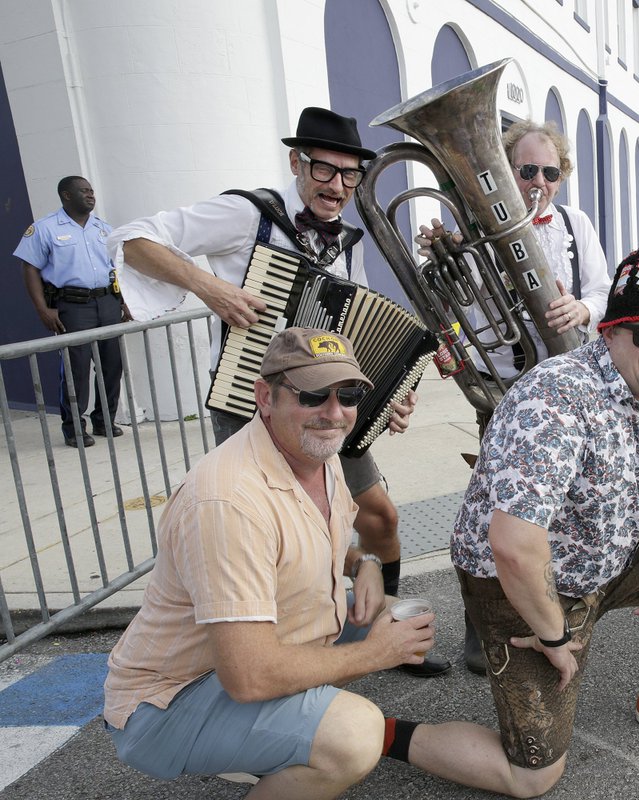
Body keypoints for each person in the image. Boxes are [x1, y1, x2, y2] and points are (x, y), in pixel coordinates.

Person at [390, 243, 639, 798]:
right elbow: (515, 547)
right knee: (531, 776)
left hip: (608, 556)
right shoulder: (558, 394)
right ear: (608, 332)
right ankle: (371, 731)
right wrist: (554, 634)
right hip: (518, 585)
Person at [108, 107, 449, 677]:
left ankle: (379, 627)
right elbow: (134, 238)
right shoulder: (248, 216)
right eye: (324, 170)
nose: (337, 186)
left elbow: (352, 333)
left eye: (349, 175)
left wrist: (387, 393)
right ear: (297, 162)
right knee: (280, 536)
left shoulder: (346, 240)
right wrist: (210, 286)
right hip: (253, 405)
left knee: (380, 518)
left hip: (325, 406)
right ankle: (275, 659)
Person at [103, 327, 434, 796]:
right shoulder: (228, 501)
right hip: (168, 702)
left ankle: (274, 739)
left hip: (241, 659)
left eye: (349, 394)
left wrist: (365, 566)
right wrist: (376, 654)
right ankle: (278, 740)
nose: (334, 413)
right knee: (356, 734)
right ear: (265, 396)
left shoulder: (317, 453)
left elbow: (311, 539)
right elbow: (249, 675)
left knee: (400, 613)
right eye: (314, 395)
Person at [416, 119, 610, 674]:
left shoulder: (575, 222)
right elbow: (468, 303)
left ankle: (547, 613)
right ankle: (482, 626)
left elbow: (600, 289)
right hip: (503, 391)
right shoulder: (472, 229)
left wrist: (584, 309)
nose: (538, 183)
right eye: (526, 171)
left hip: (568, 387)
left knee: (563, 512)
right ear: (505, 171)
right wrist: (447, 260)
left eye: (551, 172)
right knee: (491, 516)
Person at [15, 176, 130, 447]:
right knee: (76, 368)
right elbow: (29, 267)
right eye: (83, 191)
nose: (90, 195)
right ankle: (75, 427)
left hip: (107, 302)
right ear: (66, 195)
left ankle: (104, 420)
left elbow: (117, 267)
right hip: (73, 306)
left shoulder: (103, 229)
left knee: (112, 365)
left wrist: (125, 301)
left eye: (91, 191)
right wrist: (43, 309)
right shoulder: (45, 228)